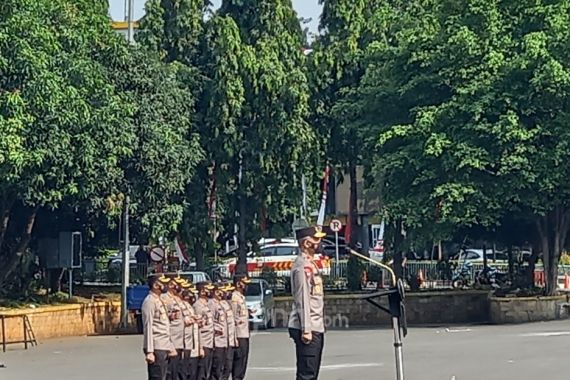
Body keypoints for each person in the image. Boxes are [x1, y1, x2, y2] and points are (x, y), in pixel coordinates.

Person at [288, 226, 327, 380]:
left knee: (313, 373)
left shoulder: (311, 263)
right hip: (307, 327)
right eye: (316, 239)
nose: (319, 242)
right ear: (306, 243)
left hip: (316, 326)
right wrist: (306, 329)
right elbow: (302, 298)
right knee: (307, 374)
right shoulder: (302, 266)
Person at [141, 274, 177, 380]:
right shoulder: (149, 301)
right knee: (157, 377)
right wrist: (150, 351)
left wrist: (170, 346)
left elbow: (165, 326)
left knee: (164, 376)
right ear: (156, 285)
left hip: (164, 345)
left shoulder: (159, 300)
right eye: (163, 283)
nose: (166, 285)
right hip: (156, 346)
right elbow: (148, 326)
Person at [162, 276, 186, 380]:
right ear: (171, 285)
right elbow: (164, 319)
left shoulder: (176, 299)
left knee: (177, 372)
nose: (180, 287)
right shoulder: (165, 299)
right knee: (170, 372)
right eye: (178, 284)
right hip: (172, 340)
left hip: (180, 340)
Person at [231, 275, 251, 380]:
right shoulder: (234, 298)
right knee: (238, 364)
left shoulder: (241, 297)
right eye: (244, 283)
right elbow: (233, 320)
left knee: (243, 362)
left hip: (244, 333)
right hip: (239, 335)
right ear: (238, 284)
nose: (246, 286)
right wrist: (234, 338)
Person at [181, 280, 202, 380]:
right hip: (185, 345)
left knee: (193, 373)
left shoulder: (189, 306)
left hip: (193, 345)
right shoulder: (181, 305)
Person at [194, 281, 215, 380]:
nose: (211, 291)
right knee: (202, 373)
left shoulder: (207, 304)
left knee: (208, 372)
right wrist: (200, 347)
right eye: (208, 289)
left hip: (210, 342)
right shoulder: (198, 306)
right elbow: (197, 328)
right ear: (202, 291)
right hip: (204, 342)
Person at [209, 283, 228, 380]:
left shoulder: (221, 303)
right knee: (216, 369)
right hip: (217, 341)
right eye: (221, 290)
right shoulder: (211, 304)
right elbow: (210, 321)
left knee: (222, 367)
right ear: (216, 292)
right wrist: (217, 329)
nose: (223, 292)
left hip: (223, 341)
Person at [221, 283, 238, 380]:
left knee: (228, 367)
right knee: (221, 369)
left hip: (229, 340)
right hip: (221, 341)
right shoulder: (216, 304)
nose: (228, 293)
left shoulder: (226, 303)